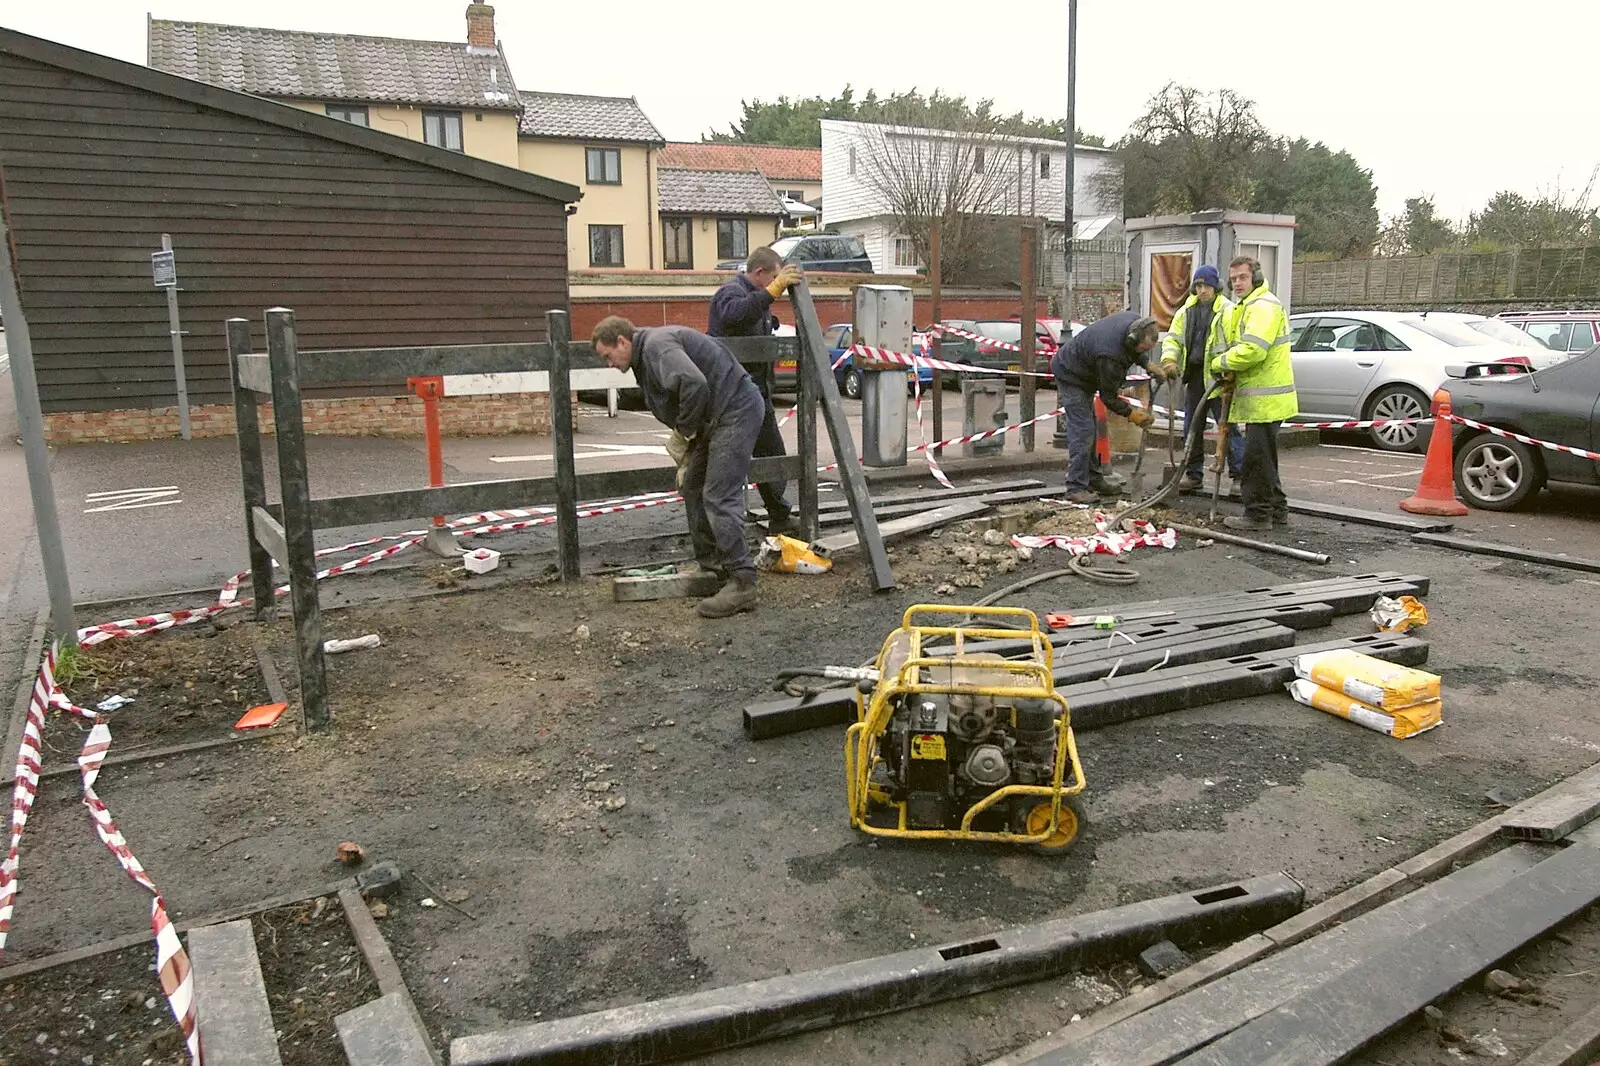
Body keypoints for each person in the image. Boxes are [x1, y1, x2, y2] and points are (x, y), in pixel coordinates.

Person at [591, 316, 765, 618]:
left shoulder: (656, 346)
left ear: (622, 341)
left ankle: (742, 581)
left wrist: (684, 432)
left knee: (719, 495)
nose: (609, 363)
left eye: (608, 355)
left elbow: (693, 384)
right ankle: (714, 569)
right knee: (693, 485)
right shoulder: (647, 354)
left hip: (734, 409)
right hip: (715, 417)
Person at [708, 247, 804, 537]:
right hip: (734, 395)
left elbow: (748, 316)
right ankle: (724, 525)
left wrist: (768, 321)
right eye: (774, 278)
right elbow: (734, 314)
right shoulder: (731, 292)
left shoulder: (751, 295)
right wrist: (773, 291)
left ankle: (778, 514)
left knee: (771, 455)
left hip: (754, 391)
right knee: (732, 458)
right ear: (759, 273)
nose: (777, 284)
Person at [1207, 256, 1299, 531]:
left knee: (1256, 460)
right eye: (1233, 279)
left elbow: (1253, 349)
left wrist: (1220, 363)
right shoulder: (1247, 306)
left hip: (1267, 401)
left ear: (1256, 278)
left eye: (1242, 278)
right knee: (1264, 458)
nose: (1237, 283)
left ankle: (1257, 516)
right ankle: (1277, 510)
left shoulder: (1263, 306)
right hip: (1262, 400)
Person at [1050, 310, 1160, 504]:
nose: (1142, 353)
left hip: (1085, 371)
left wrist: (1148, 364)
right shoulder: (1110, 354)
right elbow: (1108, 397)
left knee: (1089, 429)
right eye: (1141, 349)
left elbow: (1134, 351)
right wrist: (1132, 414)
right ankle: (1075, 488)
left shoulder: (1134, 323)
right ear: (1134, 338)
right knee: (1083, 432)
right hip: (1071, 374)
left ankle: (1093, 477)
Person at [1158, 264, 1243, 493]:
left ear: (1216, 287)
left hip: (1219, 378)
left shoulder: (1227, 310)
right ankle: (1194, 474)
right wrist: (1169, 360)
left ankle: (1239, 476)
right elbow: (1173, 339)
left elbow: (1236, 342)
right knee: (1191, 427)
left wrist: (1230, 370)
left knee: (1227, 428)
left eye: (1206, 285)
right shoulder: (1186, 311)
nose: (1202, 289)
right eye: (1198, 285)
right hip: (1195, 376)